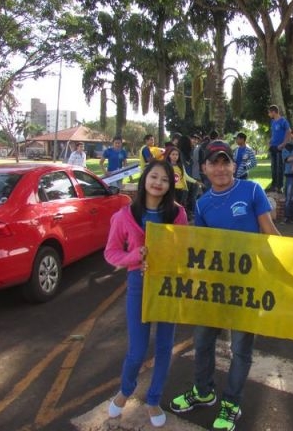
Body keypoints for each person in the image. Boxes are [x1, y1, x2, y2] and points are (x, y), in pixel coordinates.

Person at [169, 140, 280, 431]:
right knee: (203, 341)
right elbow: (201, 249)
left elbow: (270, 232)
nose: (220, 168)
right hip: (214, 289)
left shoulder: (252, 190)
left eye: (225, 161)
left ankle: (231, 403)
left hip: (247, 287)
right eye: (213, 163)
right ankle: (203, 391)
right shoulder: (202, 203)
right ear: (203, 168)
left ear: (233, 165)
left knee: (241, 349)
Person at [104, 160, 188, 428]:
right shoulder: (125, 214)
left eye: (165, 180)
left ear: (170, 185)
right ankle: (125, 391)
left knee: (164, 346)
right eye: (154, 177)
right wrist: (133, 257)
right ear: (144, 179)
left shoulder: (177, 214)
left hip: (168, 287)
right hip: (138, 284)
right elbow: (111, 252)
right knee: (137, 350)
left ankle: (153, 399)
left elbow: (186, 250)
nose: (158, 183)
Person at [166, 146, 200, 212]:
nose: (175, 156)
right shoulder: (166, 166)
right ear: (169, 155)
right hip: (170, 190)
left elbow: (186, 177)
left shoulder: (180, 165)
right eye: (173, 154)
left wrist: (196, 182)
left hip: (180, 190)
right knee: (170, 207)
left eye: (177, 154)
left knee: (178, 208)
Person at [267, 104, 291, 193]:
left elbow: (289, 132)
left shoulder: (283, 121)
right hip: (273, 147)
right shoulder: (273, 122)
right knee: (273, 168)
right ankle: (273, 186)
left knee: (280, 168)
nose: (269, 115)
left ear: (274, 112)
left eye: (269, 113)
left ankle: (279, 187)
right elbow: (274, 134)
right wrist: (270, 142)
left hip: (280, 148)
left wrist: (284, 144)